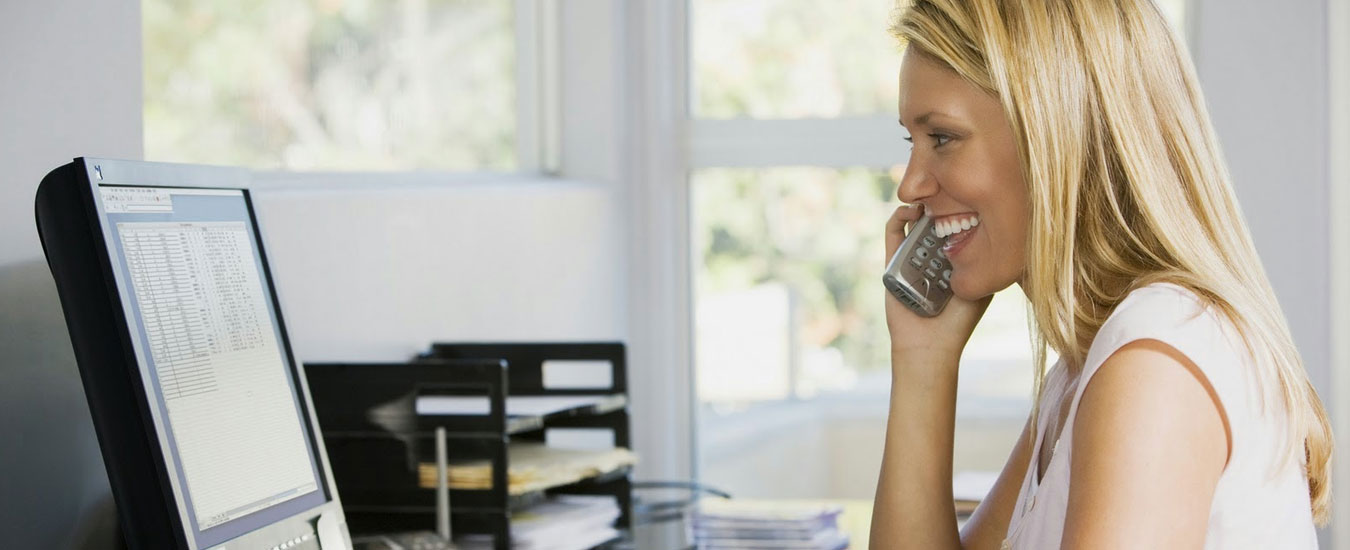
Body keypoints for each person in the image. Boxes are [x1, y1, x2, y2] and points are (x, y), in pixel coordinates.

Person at [870, 0, 1332, 548]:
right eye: (911, 142)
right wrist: (924, 362)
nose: (911, 185)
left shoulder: (1154, 360)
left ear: (1054, 135)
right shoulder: (1085, 366)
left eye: (941, 138)